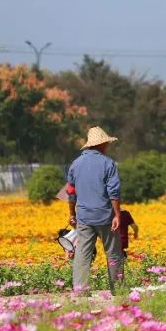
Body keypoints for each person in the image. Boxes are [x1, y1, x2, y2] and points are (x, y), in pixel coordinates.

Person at [66, 126, 123, 294]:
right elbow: (114, 192)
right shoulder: (108, 163)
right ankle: (118, 291)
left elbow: (70, 193)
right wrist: (117, 215)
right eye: (106, 143)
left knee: (82, 256)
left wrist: (72, 214)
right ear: (102, 144)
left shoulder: (75, 164)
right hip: (105, 216)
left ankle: (80, 291)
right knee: (113, 254)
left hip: (84, 218)